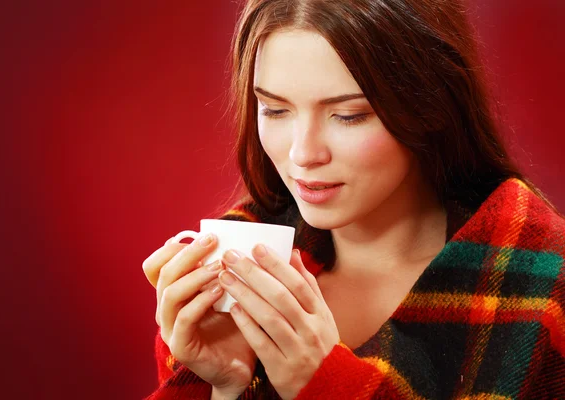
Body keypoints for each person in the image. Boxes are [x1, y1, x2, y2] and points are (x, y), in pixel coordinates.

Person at [142, 0, 565, 398]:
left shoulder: (543, 284)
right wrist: (227, 387)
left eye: (348, 115)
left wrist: (330, 386)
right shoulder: (230, 269)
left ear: (432, 103)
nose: (303, 154)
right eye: (274, 109)